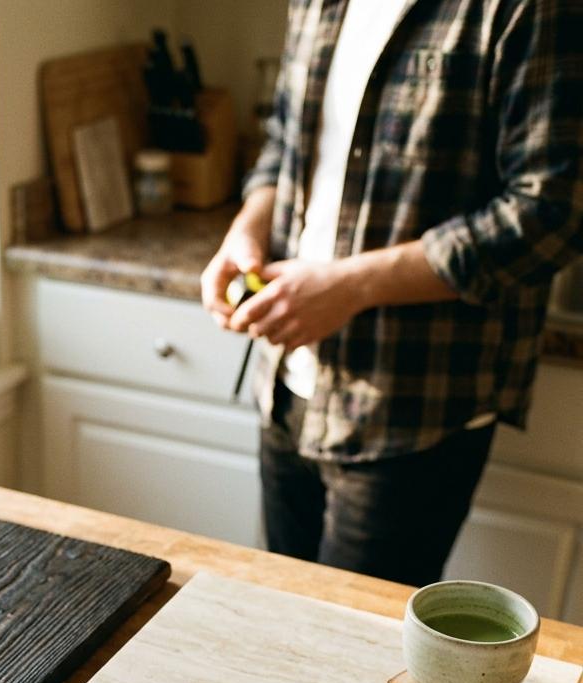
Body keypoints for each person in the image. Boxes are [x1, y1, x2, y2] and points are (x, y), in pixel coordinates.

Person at [201, 0, 583, 586]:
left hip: (414, 405)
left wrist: (351, 286)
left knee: (356, 656)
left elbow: (549, 213)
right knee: (276, 625)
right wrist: (246, 228)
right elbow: (286, 138)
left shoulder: (529, 10)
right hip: (286, 384)